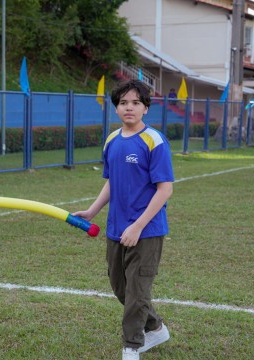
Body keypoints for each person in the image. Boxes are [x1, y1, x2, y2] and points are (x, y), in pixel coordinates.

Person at [73, 80, 174, 360]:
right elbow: (111, 183)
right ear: (116, 108)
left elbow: (165, 189)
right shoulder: (112, 140)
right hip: (116, 229)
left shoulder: (154, 141)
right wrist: (92, 210)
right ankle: (155, 327)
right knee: (121, 288)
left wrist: (139, 225)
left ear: (145, 108)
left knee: (138, 291)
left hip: (146, 231)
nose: (129, 107)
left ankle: (131, 347)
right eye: (123, 103)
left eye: (135, 103)